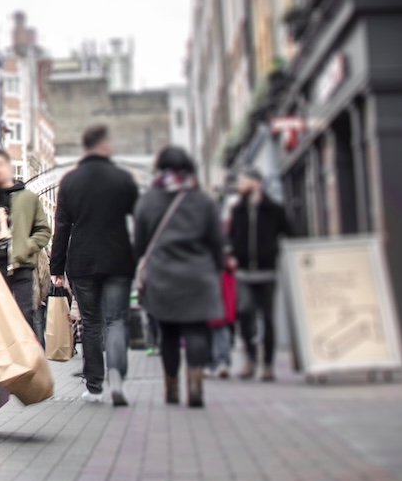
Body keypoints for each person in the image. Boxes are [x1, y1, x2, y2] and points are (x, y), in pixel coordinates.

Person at [49, 124, 140, 406]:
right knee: (116, 321)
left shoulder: (71, 181)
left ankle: (94, 387)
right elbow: (139, 218)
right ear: (105, 146)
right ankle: (116, 377)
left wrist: (56, 268)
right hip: (117, 259)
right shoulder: (122, 179)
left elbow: (61, 226)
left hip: (83, 260)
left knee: (90, 323)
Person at [133, 146, 225, 408]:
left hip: (163, 276)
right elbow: (217, 241)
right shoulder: (202, 201)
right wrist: (216, 268)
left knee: (169, 333)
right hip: (199, 275)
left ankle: (171, 388)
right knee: (197, 329)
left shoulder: (149, 200)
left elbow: (139, 244)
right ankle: (195, 385)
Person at [228, 166, 294, 381]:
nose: (239, 186)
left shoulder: (274, 209)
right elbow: (231, 238)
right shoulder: (237, 210)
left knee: (268, 319)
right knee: (245, 317)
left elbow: (291, 232)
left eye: (242, 181)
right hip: (244, 272)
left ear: (256, 183)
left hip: (267, 272)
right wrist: (231, 255)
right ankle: (250, 360)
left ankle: (267, 365)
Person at [0, 148, 52, 335]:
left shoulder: (27, 197)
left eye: (0, 165)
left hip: (21, 266)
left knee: (23, 318)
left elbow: (44, 230)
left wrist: (26, 247)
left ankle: (27, 362)